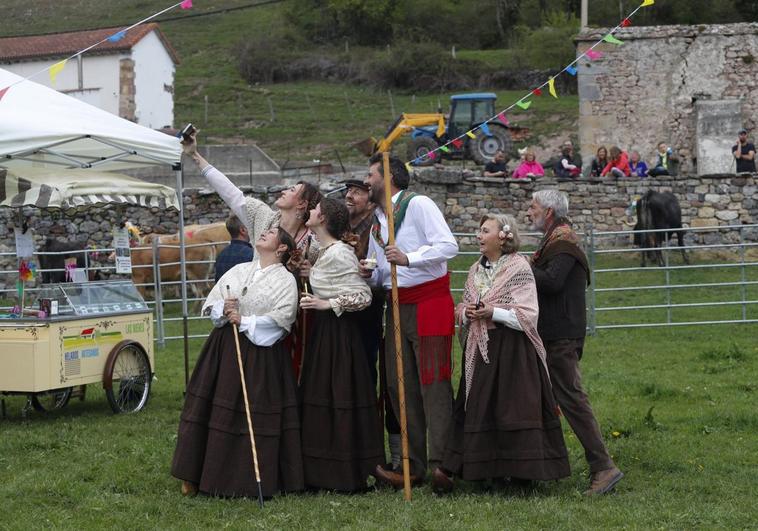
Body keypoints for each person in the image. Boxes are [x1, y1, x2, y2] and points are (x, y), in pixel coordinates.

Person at [431, 214, 570, 493]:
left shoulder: (519, 267)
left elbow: (528, 315)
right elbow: (464, 304)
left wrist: (493, 311)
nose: (479, 236)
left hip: (513, 350)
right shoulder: (475, 269)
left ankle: (521, 475)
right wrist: (466, 313)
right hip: (482, 350)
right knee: (480, 406)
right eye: (479, 231)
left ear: (503, 236)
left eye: (485, 231)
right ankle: (485, 469)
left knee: (513, 406)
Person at [171, 227, 303, 499]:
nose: (264, 233)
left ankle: (243, 479)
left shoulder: (286, 280)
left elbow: (283, 318)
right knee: (213, 410)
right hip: (224, 349)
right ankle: (195, 473)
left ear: (282, 249)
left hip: (261, 359)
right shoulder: (240, 269)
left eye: (272, 233)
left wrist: (245, 320)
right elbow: (214, 304)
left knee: (252, 416)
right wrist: (224, 308)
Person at [181, 131, 321, 379]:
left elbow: (325, 278)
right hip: (252, 309)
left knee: (294, 372)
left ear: (302, 204)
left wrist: (309, 273)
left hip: (296, 315)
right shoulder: (263, 218)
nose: (284, 190)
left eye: (293, 189)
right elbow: (231, 193)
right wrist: (195, 156)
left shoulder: (314, 240)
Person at [360, 154, 459, 488]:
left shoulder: (419, 205)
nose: (366, 181)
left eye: (371, 175)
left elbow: (449, 245)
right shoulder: (376, 221)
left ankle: (442, 465)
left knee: (433, 384)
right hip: (396, 306)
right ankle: (412, 466)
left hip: (429, 303)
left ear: (388, 178)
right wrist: (369, 272)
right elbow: (383, 273)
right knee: (399, 385)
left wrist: (409, 258)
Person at [527, 190, 623, 496]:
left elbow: (553, 282)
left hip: (561, 334)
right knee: (550, 398)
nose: (530, 212)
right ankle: (538, 465)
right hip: (553, 332)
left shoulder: (564, 243)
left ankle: (604, 466)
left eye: (534, 207)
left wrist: (520, 267)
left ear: (550, 213)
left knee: (571, 399)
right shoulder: (555, 240)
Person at [298, 197, 384, 492]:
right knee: (320, 397)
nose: (309, 211)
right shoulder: (323, 250)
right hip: (324, 333)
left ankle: (344, 471)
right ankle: (320, 471)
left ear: (322, 219)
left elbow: (363, 295)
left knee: (339, 396)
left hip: (340, 335)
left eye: (314, 209)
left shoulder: (340, 253)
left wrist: (326, 302)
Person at [343, 178, 384, 386]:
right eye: (348, 190)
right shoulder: (343, 224)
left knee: (363, 362)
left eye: (357, 192)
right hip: (340, 302)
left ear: (371, 201)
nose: (349, 195)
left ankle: (367, 413)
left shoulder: (375, 225)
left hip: (367, 303)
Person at [214, 214, 253, 282]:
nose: (252, 229)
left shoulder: (221, 255)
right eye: (249, 227)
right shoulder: (251, 254)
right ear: (243, 230)